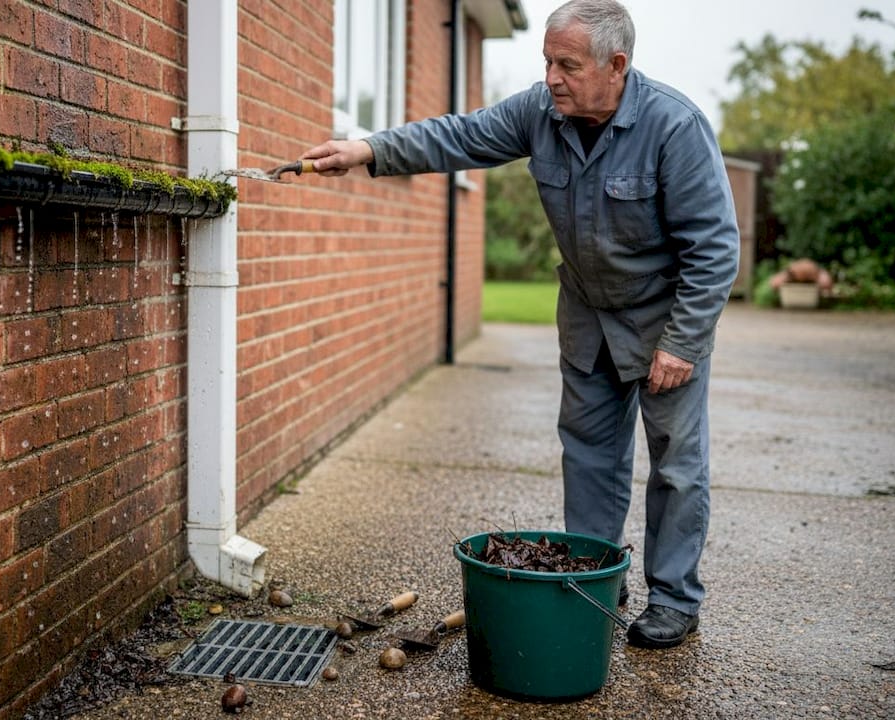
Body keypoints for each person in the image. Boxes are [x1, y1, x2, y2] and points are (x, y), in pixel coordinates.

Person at [301, 0, 738, 649]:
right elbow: (459, 135)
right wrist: (368, 148)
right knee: (589, 459)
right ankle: (593, 581)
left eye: (566, 64)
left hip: (661, 319)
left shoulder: (674, 127)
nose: (552, 77)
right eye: (546, 62)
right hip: (588, 315)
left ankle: (674, 599)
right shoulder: (541, 113)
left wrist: (682, 341)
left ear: (615, 65)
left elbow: (715, 245)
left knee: (676, 466)